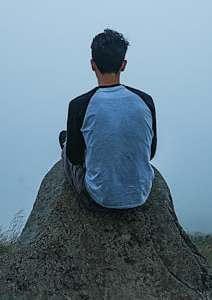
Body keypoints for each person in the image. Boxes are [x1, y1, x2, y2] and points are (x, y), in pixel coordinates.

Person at [59, 28, 157, 211]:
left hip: (97, 199)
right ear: (123, 64)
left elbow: (74, 156)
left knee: (65, 144)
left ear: (92, 64)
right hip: (140, 195)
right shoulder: (145, 101)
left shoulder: (79, 105)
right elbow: (150, 152)